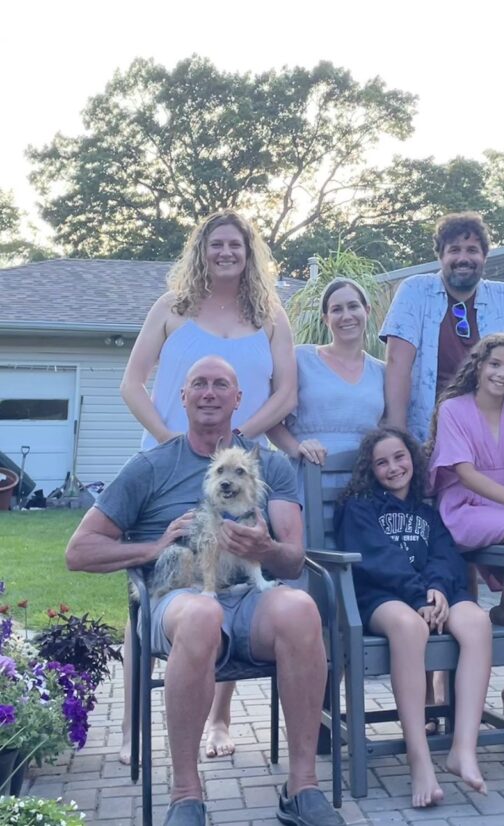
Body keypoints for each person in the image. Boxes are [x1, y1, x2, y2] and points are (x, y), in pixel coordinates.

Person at [67, 356, 340, 826]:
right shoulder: (152, 466)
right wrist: (153, 547)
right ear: (182, 396)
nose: (209, 392)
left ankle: (301, 788)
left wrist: (267, 545)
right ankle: (186, 795)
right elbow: (80, 550)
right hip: (179, 596)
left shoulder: (268, 466)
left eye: (221, 385)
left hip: (248, 596)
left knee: (299, 607)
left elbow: (294, 559)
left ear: (238, 399)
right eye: (199, 384)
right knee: (200, 616)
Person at [119, 210, 298, 763]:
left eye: (236, 245)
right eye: (216, 244)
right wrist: (176, 440)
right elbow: (132, 383)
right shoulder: (169, 309)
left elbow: (286, 394)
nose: (226, 252)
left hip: (237, 471)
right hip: (169, 464)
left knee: (233, 578)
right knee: (151, 586)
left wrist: (233, 446)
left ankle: (220, 720)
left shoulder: (270, 315)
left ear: (250, 253)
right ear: (202, 250)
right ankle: (131, 728)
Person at [334, 427, 491, 807]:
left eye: (399, 457)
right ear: (370, 470)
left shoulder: (427, 510)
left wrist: (436, 587)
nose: (393, 467)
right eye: (382, 462)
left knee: (477, 623)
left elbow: (444, 554)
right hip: (382, 596)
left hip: (432, 592)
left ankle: (462, 749)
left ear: (412, 459)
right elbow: (376, 559)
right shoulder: (360, 507)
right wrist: (420, 594)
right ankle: (419, 760)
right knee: (409, 626)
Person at [426, 332, 504, 722]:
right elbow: (463, 472)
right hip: (466, 506)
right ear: (478, 367)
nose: (502, 374)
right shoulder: (454, 409)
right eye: (495, 364)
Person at [381, 211, 504, 463]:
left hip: (497, 441)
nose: (463, 258)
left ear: (484, 256)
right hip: (430, 440)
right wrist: (399, 438)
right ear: (441, 255)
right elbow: (398, 364)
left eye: (472, 250)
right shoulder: (415, 291)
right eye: (454, 250)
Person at [268, 277, 385, 476]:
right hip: (309, 475)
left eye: (353, 306)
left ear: (367, 311)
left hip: (363, 483)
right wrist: (296, 448)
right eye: (337, 309)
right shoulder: (300, 359)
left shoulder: (382, 372)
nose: (346, 315)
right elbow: (270, 419)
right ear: (325, 319)